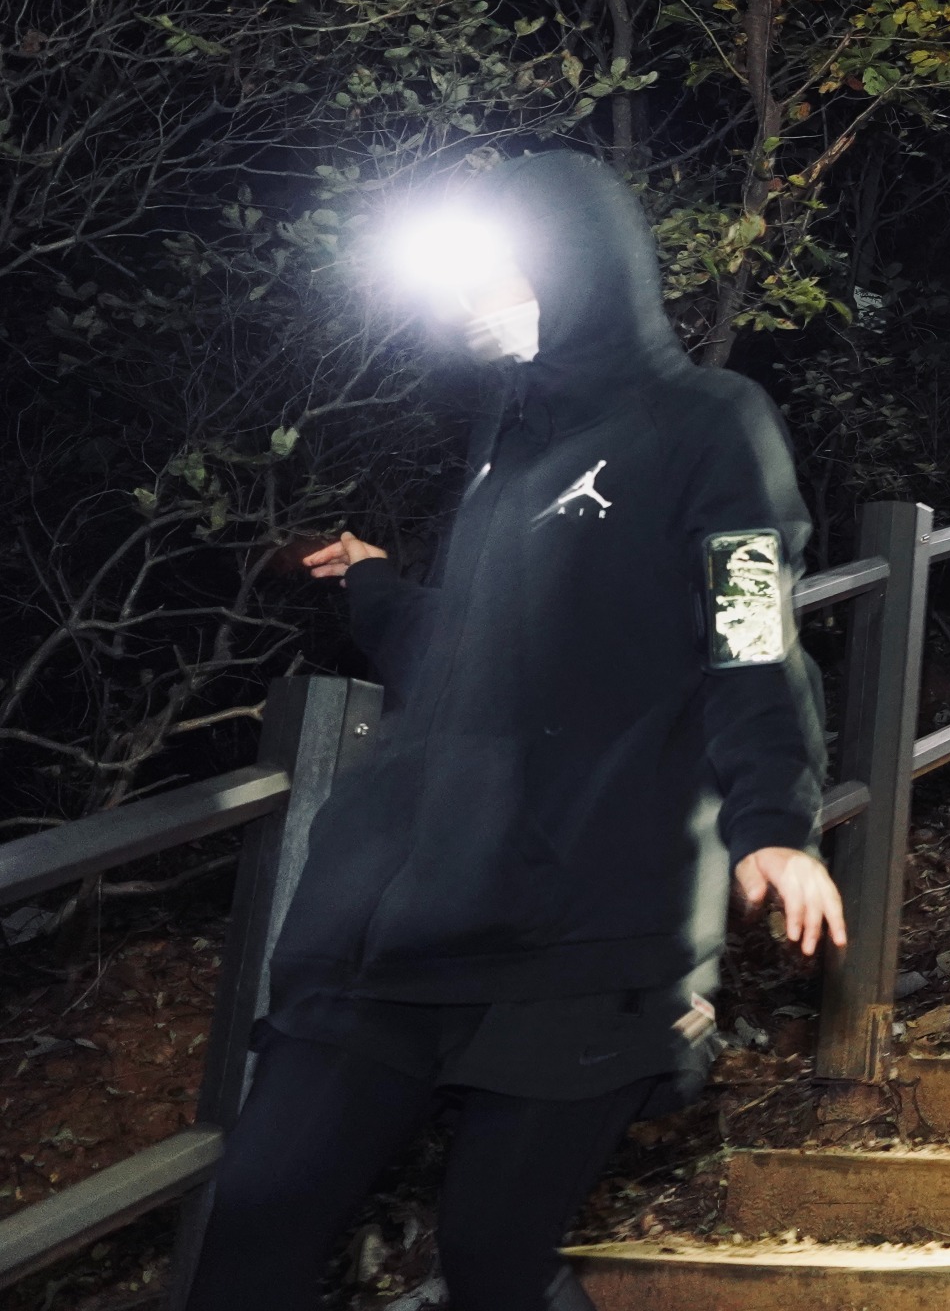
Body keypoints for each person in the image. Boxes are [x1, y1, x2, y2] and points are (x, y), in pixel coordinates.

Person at [190, 151, 840, 1311]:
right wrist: (378, 589)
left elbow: (751, 627)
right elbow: (479, 657)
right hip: (396, 924)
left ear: (575, 263)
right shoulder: (506, 448)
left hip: (581, 923)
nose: (474, 301)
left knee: (493, 1260)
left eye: (497, 270)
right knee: (253, 1221)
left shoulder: (707, 421)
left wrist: (775, 818)